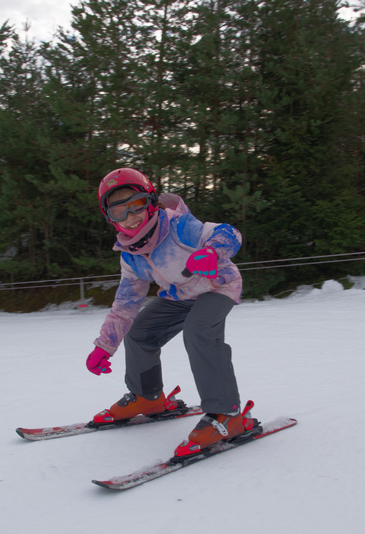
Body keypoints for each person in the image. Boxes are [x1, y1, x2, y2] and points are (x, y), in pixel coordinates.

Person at [86, 167, 255, 458]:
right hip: (181, 295)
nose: (131, 217)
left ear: (150, 201)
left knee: (199, 332)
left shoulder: (178, 227)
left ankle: (227, 414)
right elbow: (125, 305)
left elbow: (230, 233)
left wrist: (212, 252)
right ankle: (147, 397)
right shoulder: (131, 256)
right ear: (110, 219)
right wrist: (105, 345)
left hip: (217, 285)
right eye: (119, 212)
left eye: (136, 205)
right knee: (139, 332)